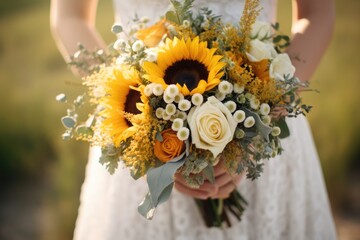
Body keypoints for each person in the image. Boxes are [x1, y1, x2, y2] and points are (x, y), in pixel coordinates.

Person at [50, 0, 337, 239]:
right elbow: (69, 16)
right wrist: (141, 123)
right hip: (138, 123)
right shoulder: (139, 121)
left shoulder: (263, 122)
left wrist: (259, 127)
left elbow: (318, 13)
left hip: (266, 118)